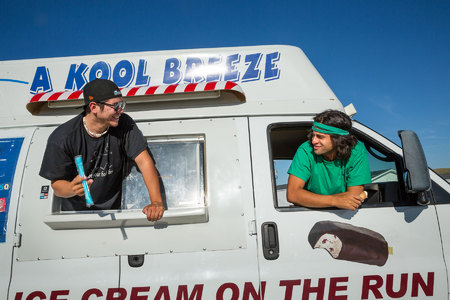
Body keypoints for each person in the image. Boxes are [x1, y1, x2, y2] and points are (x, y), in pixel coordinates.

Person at [39, 79, 164, 221]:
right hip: (75, 218)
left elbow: (144, 161)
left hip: (115, 214)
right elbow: (57, 186)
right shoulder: (62, 138)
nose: (121, 110)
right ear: (94, 108)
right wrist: (71, 188)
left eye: (122, 104)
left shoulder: (124, 124)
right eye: (116, 105)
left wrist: (156, 202)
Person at [287, 109, 371, 210]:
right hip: (309, 212)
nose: (313, 141)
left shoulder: (356, 151)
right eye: (313, 135)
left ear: (338, 139)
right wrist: (334, 201)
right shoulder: (305, 149)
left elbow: (352, 199)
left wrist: (309, 198)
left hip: (344, 213)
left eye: (320, 137)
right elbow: (293, 194)